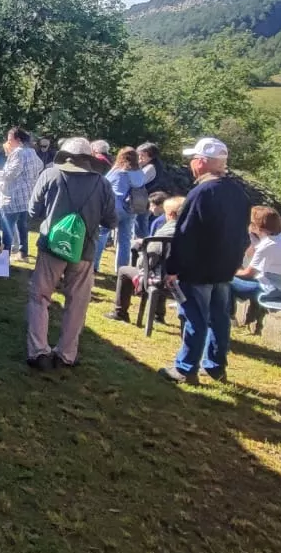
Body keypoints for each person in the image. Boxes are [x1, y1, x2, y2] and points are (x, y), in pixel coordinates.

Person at [159, 137, 253, 386]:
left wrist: (173, 268)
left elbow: (186, 234)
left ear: (201, 162)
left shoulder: (201, 192)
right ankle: (215, 366)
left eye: (193, 159)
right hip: (224, 267)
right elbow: (243, 234)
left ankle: (186, 367)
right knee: (219, 318)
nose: (191, 164)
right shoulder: (238, 192)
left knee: (195, 318)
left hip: (198, 267)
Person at [25, 137, 117, 371]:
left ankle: (39, 352)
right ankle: (66, 354)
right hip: (84, 251)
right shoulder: (102, 183)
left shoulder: (51, 174)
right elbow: (111, 220)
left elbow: (33, 210)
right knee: (77, 303)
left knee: (40, 298)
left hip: (50, 247)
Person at [107, 192, 179, 321]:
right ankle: (159, 314)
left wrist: (140, 262)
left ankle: (120, 312)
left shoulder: (165, 231)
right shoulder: (192, 231)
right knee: (163, 268)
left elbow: (149, 259)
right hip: (183, 279)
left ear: (172, 214)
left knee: (124, 271)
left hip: (161, 278)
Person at [231, 206, 281, 312]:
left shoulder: (266, 246)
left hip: (274, 291)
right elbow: (249, 258)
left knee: (224, 280)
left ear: (258, 227)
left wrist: (229, 272)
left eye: (251, 223)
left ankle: (226, 314)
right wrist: (254, 240)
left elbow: (248, 273)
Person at [0, 128, 42, 262]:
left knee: (7, 227)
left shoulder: (18, 152)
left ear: (18, 140)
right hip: (27, 196)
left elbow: (11, 173)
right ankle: (23, 252)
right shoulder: (32, 152)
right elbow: (40, 166)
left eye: (10, 139)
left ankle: (3, 259)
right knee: (22, 225)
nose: (8, 142)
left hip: (13, 196)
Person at [102, 147, 147, 270]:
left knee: (101, 234)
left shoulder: (119, 171)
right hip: (132, 208)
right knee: (125, 239)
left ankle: (93, 266)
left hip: (115, 207)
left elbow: (104, 182)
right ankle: (121, 268)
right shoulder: (140, 173)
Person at [134, 143, 167, 238]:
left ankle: (143, 247)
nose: (140, 158)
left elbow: (138, 181)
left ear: (151, 156)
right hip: (149, 197)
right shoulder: (155, 165)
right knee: (143, 223)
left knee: (140, 224)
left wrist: (138, 166)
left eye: (143, 155)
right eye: (138, 155)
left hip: (144, 199)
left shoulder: (150, 167)